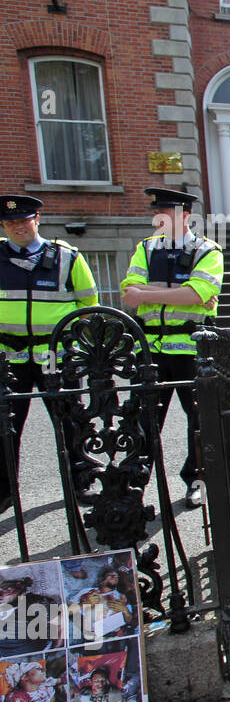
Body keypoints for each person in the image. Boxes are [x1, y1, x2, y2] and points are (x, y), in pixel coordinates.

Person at [120, 188, 224, 509]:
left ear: (184, 216)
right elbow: (128, 292)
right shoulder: (146, 248)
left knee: (200, 420)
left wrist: (147, 292)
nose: (158, 220)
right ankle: (133, 484)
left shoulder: (207, 251)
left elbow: (199, 293)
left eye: (165, 214)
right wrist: (182, 292)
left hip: (192, 349)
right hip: (150, 350)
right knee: (142, 419)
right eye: (157, 214)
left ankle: (197, 480)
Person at [0, 194, 98, 512]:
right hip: (7, 357)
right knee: (5, 426)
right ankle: (4, 491)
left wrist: (72, 338)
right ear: (3, 225)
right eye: (11, 222)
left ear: (37, 220)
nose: (18, 227)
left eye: (24, 220)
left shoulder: (66, 257)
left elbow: (88, 303)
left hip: (53, 354)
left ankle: (81, 481)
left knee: (70, 421)